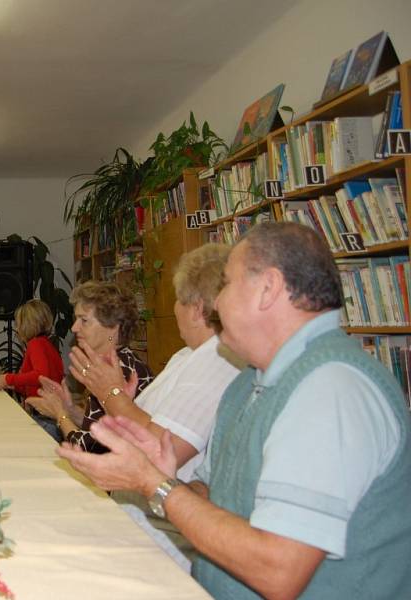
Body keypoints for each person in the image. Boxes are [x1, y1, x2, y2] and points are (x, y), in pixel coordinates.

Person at [58, 222, 411, 598]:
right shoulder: (250, 382)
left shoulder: (330, 391)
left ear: (268, 289)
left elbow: (278, 571)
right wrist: (162, 477)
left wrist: (154, 485)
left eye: (225, 284)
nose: (215, 304)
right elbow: (214, 493)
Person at [55, 244, 240, 569]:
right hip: (137, 517)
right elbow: (132, 427)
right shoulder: (188, 356)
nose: (175, 308)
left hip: (161, 539)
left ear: (196, 308)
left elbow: (157, 448)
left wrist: (110, 394)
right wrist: (107, 402)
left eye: (178, 299)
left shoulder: (216, 360)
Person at [27, 280, 153, 451]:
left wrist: (60, 414)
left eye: (84, 320)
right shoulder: (114, 363)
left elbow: (88, 448)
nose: (73, 328)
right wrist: (69, 408)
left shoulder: (120, 372)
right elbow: (95, 428)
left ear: (113, 327)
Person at [0, 299, 64, 439]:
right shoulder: (45, 344)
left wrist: (9, 378)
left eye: (18, 324)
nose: (17, 329)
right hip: (50, 417)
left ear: (28, 325)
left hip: (45, 418)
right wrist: (14, 384)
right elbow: (37, 382)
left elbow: (41, 375)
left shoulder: (35, 344)